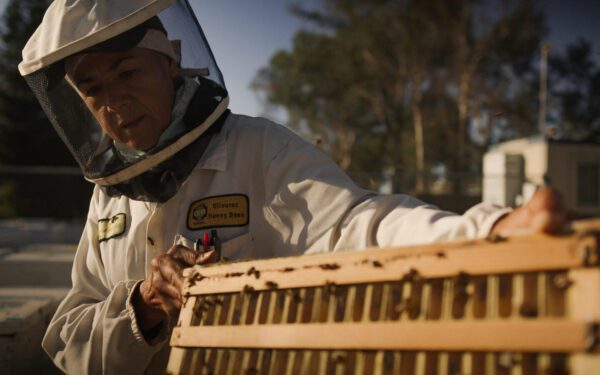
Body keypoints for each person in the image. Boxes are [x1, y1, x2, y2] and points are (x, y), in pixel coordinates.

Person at [19, 0, 567, 374]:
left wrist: (488, 230)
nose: (111, 103)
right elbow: (71, 338)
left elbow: (359, 224)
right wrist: (142, 306)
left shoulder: (258, 148)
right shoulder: (109, 195)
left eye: (126, 74)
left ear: (171, 66)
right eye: (91, 90)